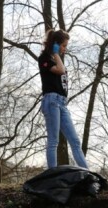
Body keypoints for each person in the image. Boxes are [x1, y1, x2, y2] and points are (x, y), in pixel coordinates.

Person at [38, 29, 88, 169]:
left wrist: (57, 55)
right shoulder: (44, 59)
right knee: (54, 141)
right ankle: (52, 175)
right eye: (63, 45)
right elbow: (60, 70)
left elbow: (62, 72)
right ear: (55, 44)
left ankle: (88, 174)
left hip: (62, 103)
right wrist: (55, 52)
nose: (65, 49)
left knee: (75, 141)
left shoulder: (56, 59)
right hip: (51, 101)